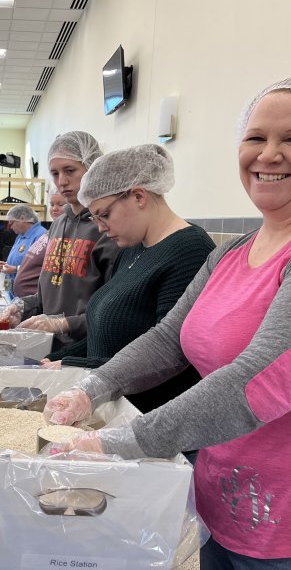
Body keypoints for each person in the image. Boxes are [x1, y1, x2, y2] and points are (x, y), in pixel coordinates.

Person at [44, 76, 291, 569]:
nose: (268, 154)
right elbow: (167, 341)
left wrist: (118, 442)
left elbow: (268, 376)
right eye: (255, 138)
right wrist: (93, 388)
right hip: (226, 505)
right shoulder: (232, 253)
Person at [41, 144, 214, 413]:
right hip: (109, 401)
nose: (99, 227)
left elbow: (168, 356)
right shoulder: (133, 247)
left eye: (104, 215)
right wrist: (55, 359)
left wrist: (75, 365)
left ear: (138, 196)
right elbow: (106, 335)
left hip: (148, 416)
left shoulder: (190, 251)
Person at [0, 131, 119, 349]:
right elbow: (50, 293)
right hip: (47, 344)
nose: (62, 181)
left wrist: (64, 324)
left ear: (92, 167)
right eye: (55, 173)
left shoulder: (108, 228)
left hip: (85, 347)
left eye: (70, 171)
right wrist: (23, 305)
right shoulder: (58, 224)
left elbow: (114, 307)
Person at [0, 204, 48, 297]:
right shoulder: (21, 236)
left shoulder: (41, 236)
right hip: (14, 292)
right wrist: (6, 265)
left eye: (12, 223)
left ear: (22, 218)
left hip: (29, 295)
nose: (10, 227)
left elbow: (42, 266)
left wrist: (16, 269)